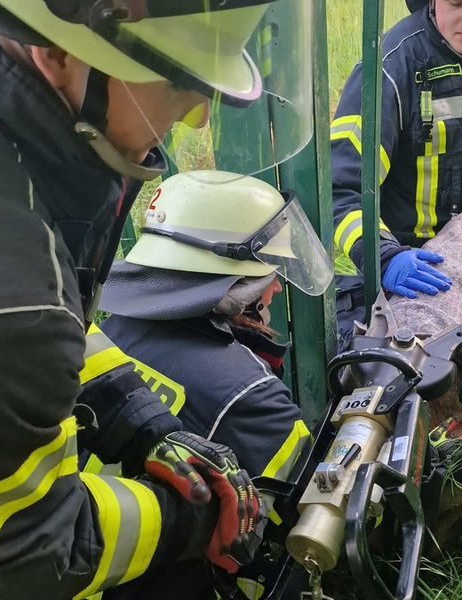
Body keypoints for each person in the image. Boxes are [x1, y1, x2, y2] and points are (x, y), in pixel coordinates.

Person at [0, 0, 314, 598]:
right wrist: (184, 521)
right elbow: (22, 553)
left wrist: (140, 422)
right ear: (60, 49)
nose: (196, 119)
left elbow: (55, 335)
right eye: (176, 78)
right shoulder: (4, 288)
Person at [88, 170, 335, 600]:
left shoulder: (105, 336)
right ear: (233, 290)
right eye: (267, 274)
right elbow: (312, 510)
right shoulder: (247, 393)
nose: (276, 286)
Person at [331, 0, 462, 348]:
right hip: (415, 268)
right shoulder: (390, 70)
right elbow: (342, 190)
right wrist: (387, 258)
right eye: (456, 1)